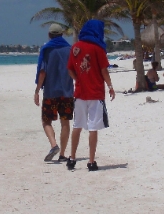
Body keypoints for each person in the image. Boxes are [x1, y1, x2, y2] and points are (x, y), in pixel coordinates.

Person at [66, 20, 116, 171]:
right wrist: (110, 86)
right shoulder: (98, 49)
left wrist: (78, 80)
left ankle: (72, 158)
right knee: (93, 127)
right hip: (96, 93)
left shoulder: (75, 47)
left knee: (77, 126)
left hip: (80, 93)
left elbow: (69, 69)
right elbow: (104, 71)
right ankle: (91, 161)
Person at [34, 23, 74, 162]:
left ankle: (53, 145)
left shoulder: (47, 49)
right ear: (62, 34)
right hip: (67, 92)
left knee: (46, 121)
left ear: (50, 35)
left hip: (51, 92)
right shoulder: (69, 49)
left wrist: (37, 90)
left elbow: (42, 72)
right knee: (65, 123)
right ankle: (62, 154)